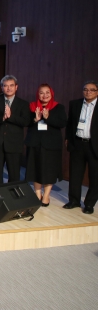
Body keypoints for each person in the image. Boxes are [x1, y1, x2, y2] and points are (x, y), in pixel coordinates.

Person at [25, 84, 67, 207]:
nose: (45, 95)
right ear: (38, 94)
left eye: (47, 92)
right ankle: (37, 194)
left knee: (50, 170)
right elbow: (26, 122)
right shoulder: (32, 106)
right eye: (41, 93)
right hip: (34, 143)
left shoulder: (58, 107)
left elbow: (62, 123)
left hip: (51, 145)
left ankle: (46, 196)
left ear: (51, 93)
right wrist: (35, 119)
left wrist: (48, 118)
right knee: (35, 168)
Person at [64, 80, 98, 214]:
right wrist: (68, 139)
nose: (88, 92)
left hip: (94, 145)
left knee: (95, 177)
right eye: (85, 89)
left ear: (97, 92)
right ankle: (74, 200)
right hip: (78, 143)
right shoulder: (75, 104)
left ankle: (89, 204)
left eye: (92, 90)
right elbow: (70, 123)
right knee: (75, 174)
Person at [0, 75, 30, 184]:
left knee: (14, 175)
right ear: (2, 88)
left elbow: (26, 122)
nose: (8, 88)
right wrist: (2, 118)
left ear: (16, 87)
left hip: (14, 144)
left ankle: (12, 199)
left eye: (11, 85)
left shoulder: (23, 104)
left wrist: (10, 117)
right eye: (5, 86)